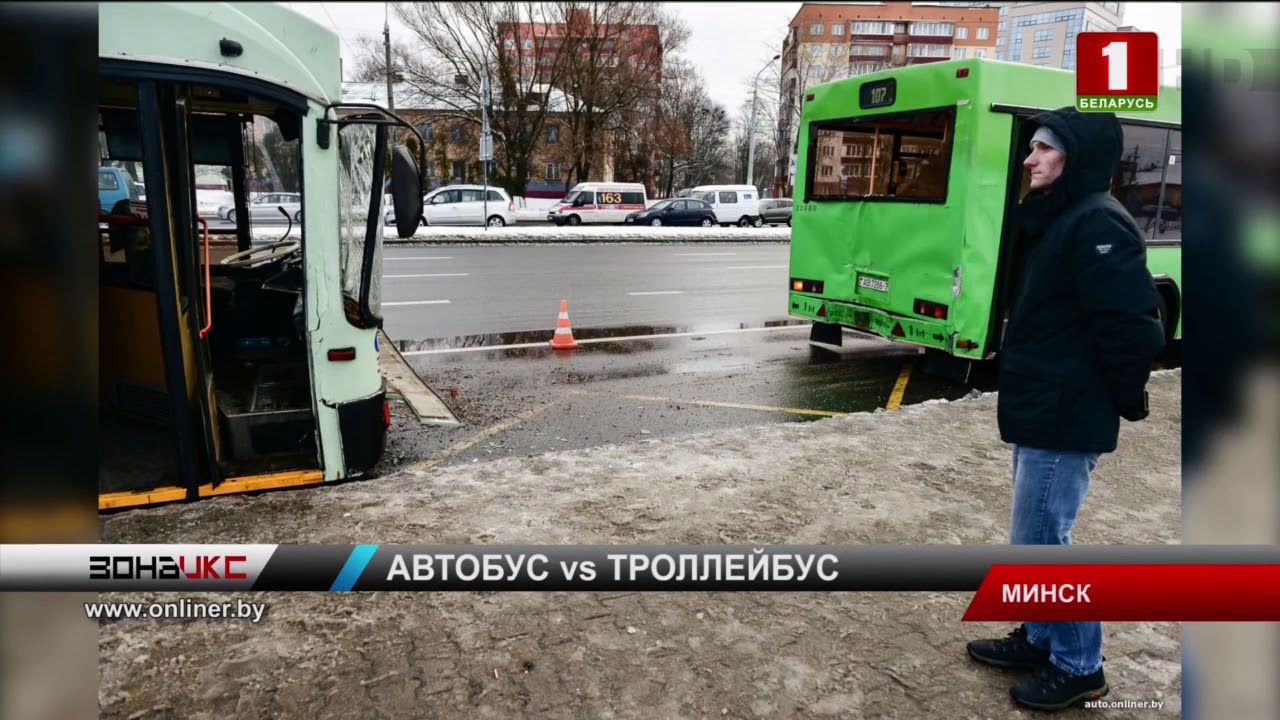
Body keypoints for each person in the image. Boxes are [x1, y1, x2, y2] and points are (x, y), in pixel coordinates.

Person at [965, 107, 1166, 712]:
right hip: (1044, 404)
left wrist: (1120, 398)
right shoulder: (1063, 216)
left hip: (1066, 410)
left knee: (1046, 543)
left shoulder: (1098, 223)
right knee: (1032, 539)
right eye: (1032, 148)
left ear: (1075, 158)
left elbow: (1135, 330)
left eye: (1045, 149)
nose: (1029, 159)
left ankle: (1080, 665)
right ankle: (1040, 636)